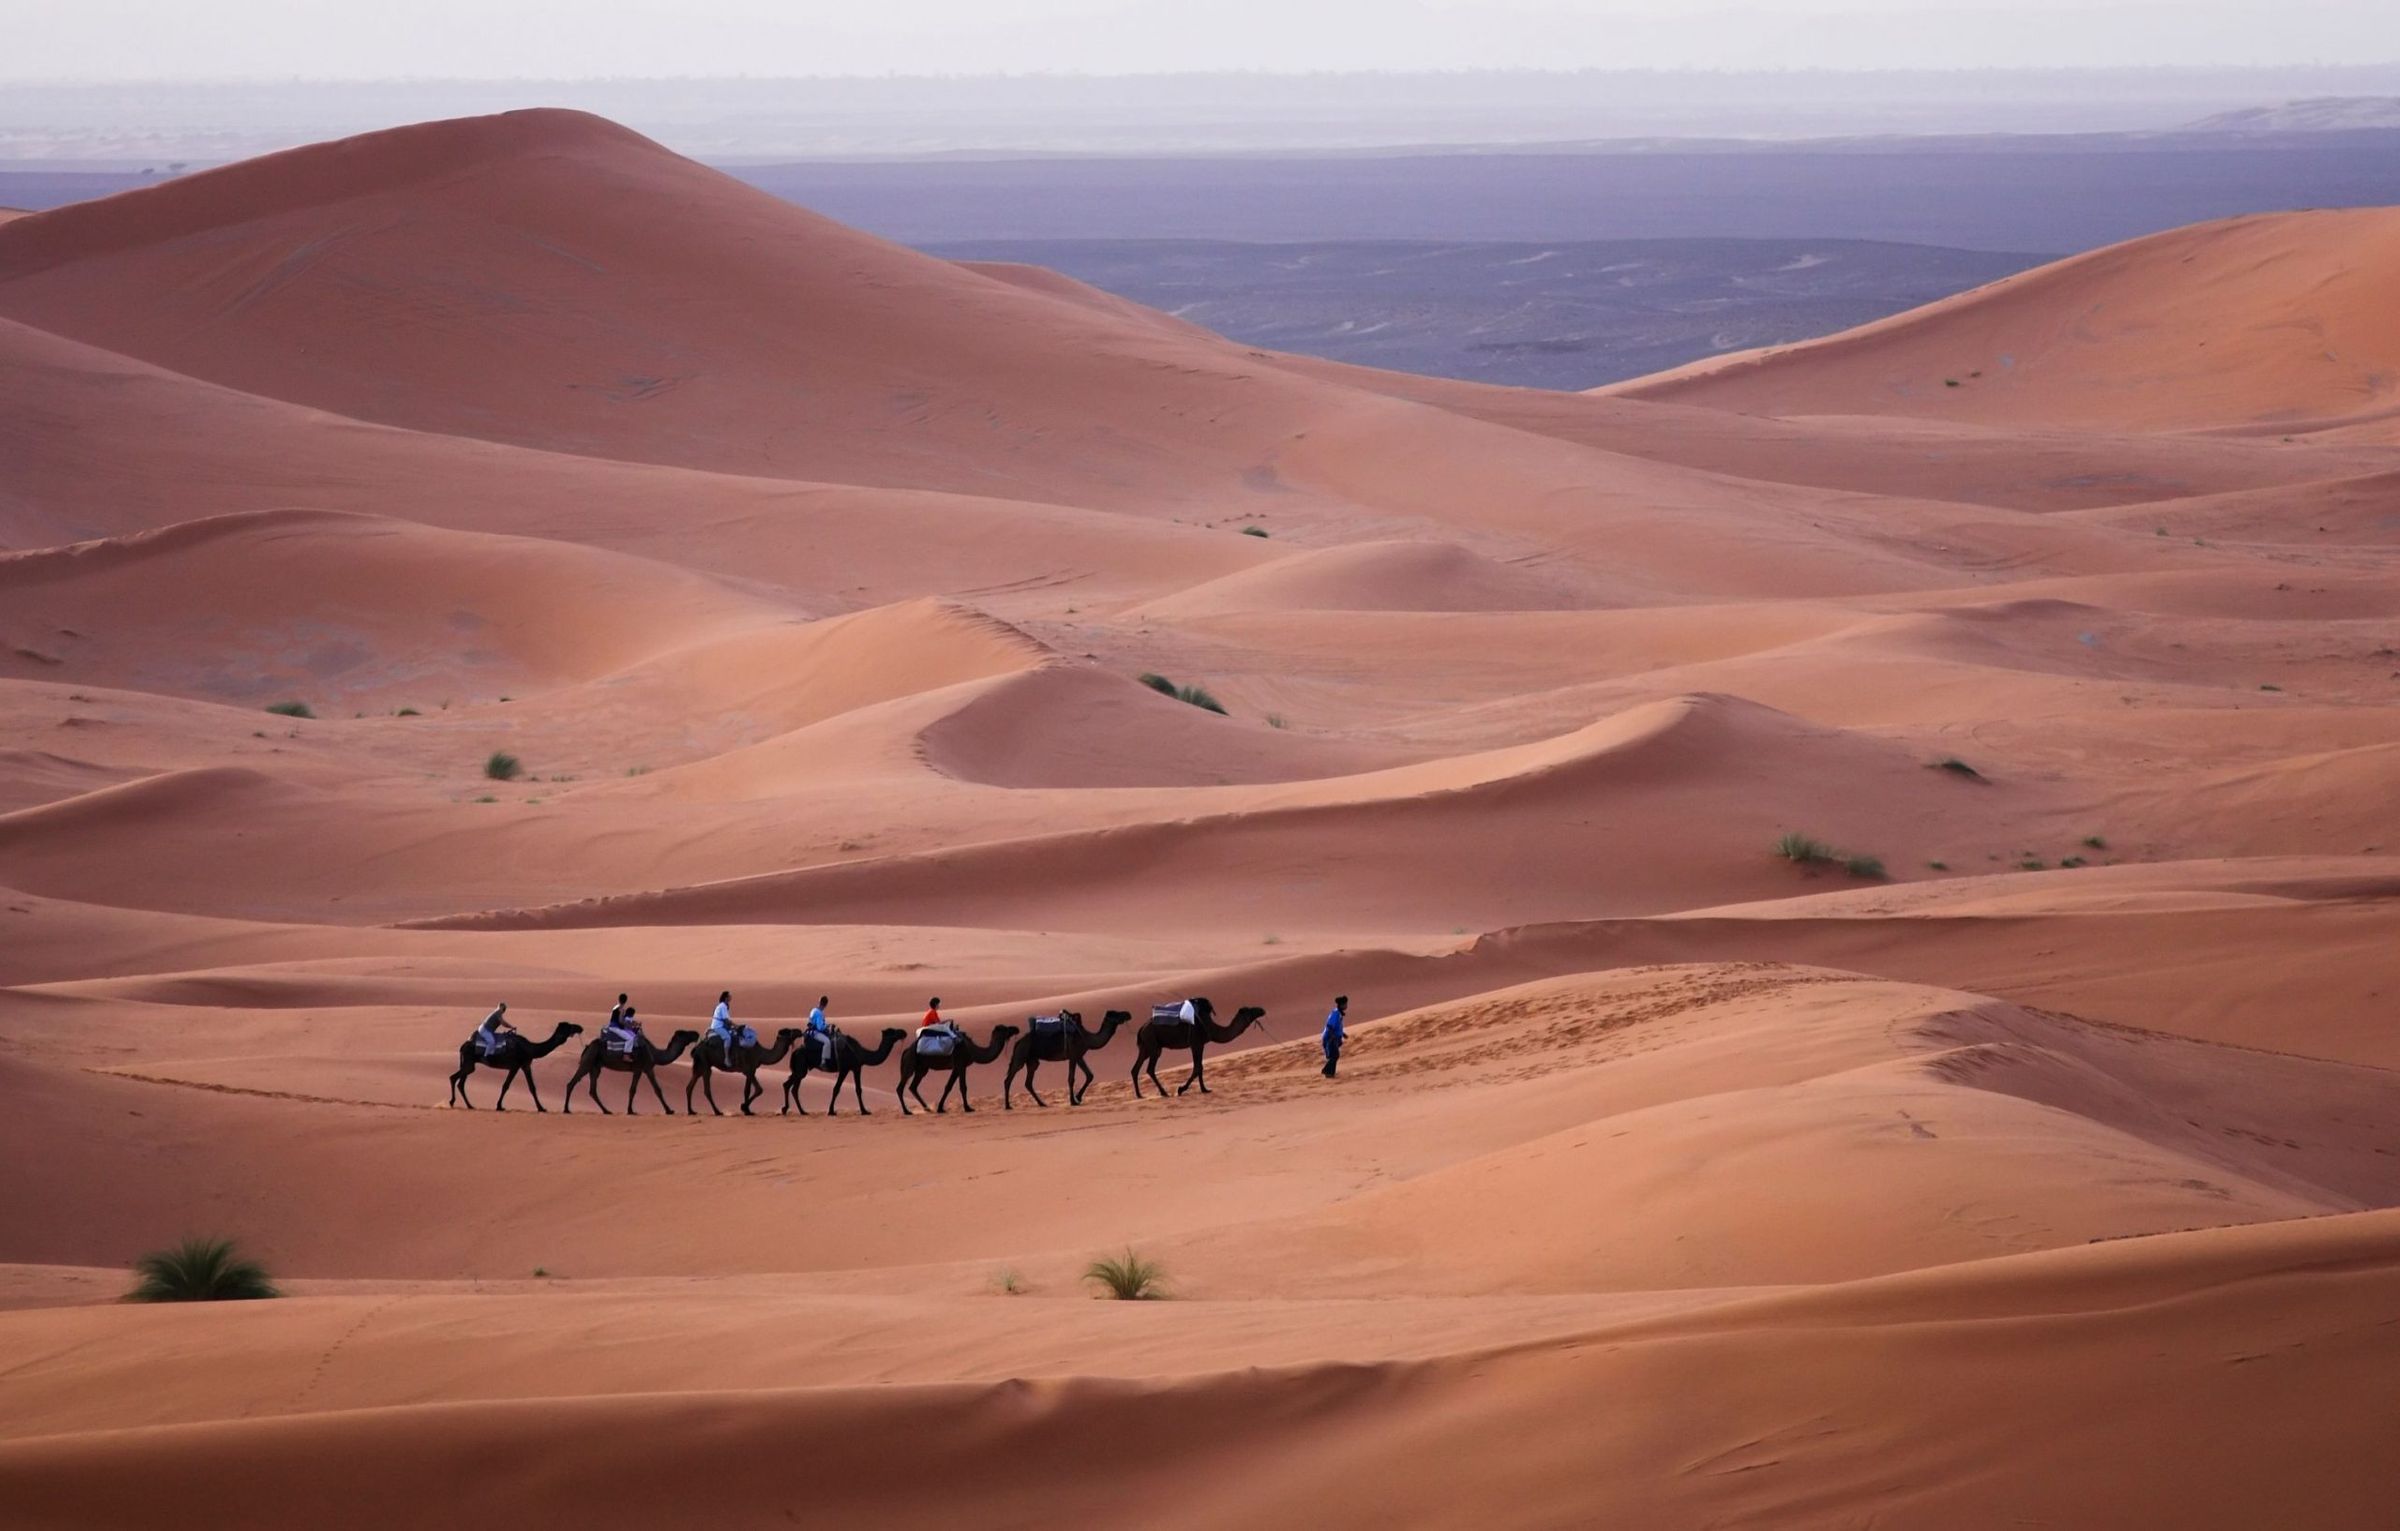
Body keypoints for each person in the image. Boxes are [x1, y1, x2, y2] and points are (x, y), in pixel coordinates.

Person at [1320, 995, 1348, 1079]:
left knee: (1334, 1055)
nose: (1346, 1006)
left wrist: (1342, 1034)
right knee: (1334, 1055)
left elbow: (1337, 1027)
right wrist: (1332, 1037)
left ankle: (1331, 1073)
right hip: (1330, 1037)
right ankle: (1327, 1071)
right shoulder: (1336, 1014)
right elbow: (1330, 1026)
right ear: (1341, 1005)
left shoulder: (1338, 1013)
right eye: (1345, 1004)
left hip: (1333, 1037)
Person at [710, 991, 737, 1056]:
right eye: (729, 996)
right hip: (718, 1026)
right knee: (728, 1038)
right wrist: (735, 1025)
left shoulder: (723, 1005)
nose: (731, 997)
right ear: (726, 998)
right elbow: (726, 1020)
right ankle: (726, 1057)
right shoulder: (723, 1006)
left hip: (722, 1025)